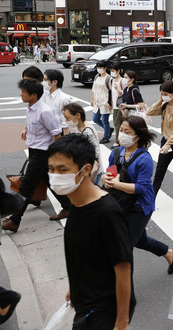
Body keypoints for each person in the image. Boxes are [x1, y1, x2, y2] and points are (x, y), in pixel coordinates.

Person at [46, 135, 134, 330]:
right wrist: (75, 287)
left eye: (62, 169)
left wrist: (121, 325)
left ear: (85, 170)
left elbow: (123, 269)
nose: (54, 176)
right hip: (85, 302)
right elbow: (86, 254)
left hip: (103, 310)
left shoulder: (107, 213)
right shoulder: (76, 202)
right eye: (51, 169)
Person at [103, 116, 173, 274]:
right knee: (140, 239)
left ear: (137, 136)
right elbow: (111, 173)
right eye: (122, 130)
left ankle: (127, 296)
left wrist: (117, 184)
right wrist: (106, 178)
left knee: (125, 248)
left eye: (127, 131)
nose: (123, 134)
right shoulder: (116, 152)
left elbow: (143, 188)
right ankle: (171, 254)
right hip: (120, 202)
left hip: (139, 207)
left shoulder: (144, 158)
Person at [2, 79, 74, 232]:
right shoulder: (30, 107)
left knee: (27, 187)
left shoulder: (44, 111)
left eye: (23, 92)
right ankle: (68, 207)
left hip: (44, 153)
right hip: (35, 151)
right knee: (49, 180)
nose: (20, 95)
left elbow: (56, 133)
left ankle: (15, 220)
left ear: (34, 95)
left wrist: (55, 154)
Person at [62, 103, 103, 185]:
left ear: (78, 115)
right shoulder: (80, 128)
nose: (66, 121)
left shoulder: (87, 131)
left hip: (92, 171)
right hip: (85, 170)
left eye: (68, 118)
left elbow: (96, 153)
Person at [42, 69, 72, 136]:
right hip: (48, 132)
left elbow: (65, 123)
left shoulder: (63, 99)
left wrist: (65, 141)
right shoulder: (47, 96)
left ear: (54, 82)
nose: (43, 82)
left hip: (58, 133)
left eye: (45, 80)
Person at [91, 62, 113, 144]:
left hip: (105, 102)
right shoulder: (97, 76)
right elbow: (94, 89)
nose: (99, 69)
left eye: (100, 67)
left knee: (104, 120)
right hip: (97, 101)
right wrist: (92, 99)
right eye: (98, 67)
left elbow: (111, 92)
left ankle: (106, 137)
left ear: (105, 68)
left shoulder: (109, 78)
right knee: (95, 119)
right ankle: (108, 129)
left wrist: (109, 102)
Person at [109, 64, 127, 146]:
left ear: (118, 71)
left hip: (120, 106)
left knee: (117, 123)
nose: (112, 72)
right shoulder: (112, 80)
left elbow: (126, 93)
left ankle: (117, 141)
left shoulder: (122, 81)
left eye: (113, 71)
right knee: (116, 123)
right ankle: (120, 139)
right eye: (111, 71)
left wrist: (118, 89)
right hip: (115, 106)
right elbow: (111, 93)